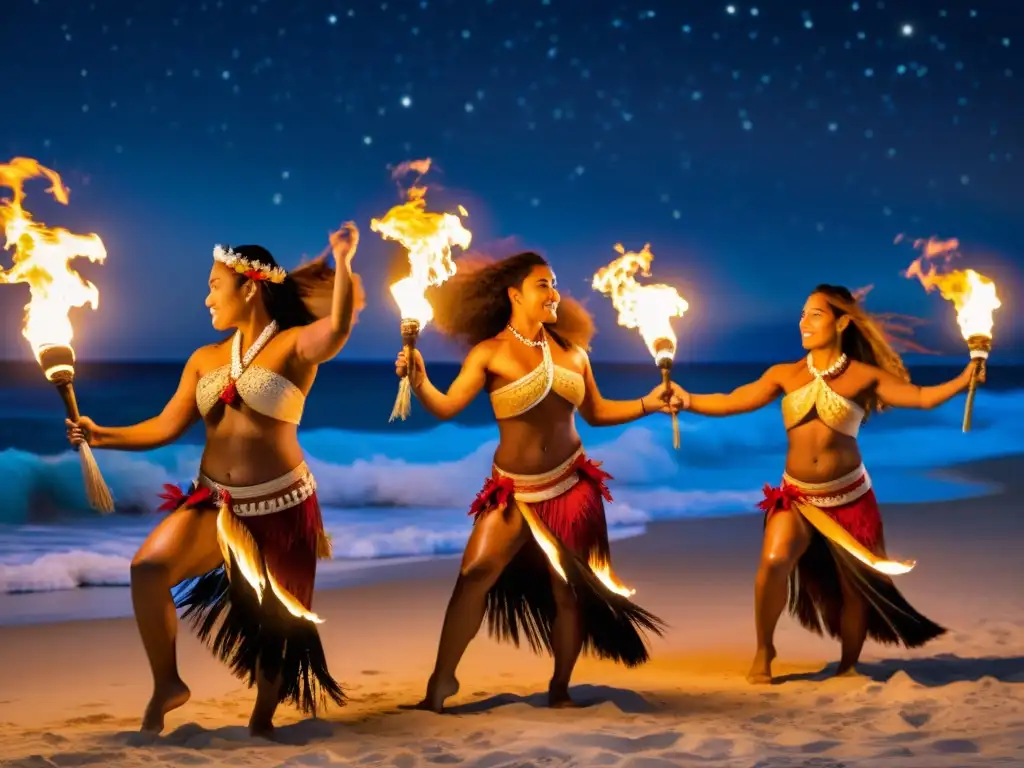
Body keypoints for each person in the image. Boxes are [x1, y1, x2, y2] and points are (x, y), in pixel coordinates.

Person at [65, 225, 364, 736]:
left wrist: (343, 260)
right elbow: (165, 425)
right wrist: (101, 434)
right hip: (215, 502)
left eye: (214, 284)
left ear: (249, 287)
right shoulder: (205, 359)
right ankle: (168, 683)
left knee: (277, 630)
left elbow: (336, 330)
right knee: (148, 569)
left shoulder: (293, 346)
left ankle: (263, 720)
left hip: (280, 507)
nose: (207, 297)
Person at [394, 250, 682, 712]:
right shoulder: (489, 353)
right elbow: (447, 407)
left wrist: (649, 403)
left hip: (571, 485)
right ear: (515, 295)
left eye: (554, 284)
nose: (554, 293)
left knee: (568, 590)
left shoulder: (574, 354)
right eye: (543, 285)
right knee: (473, 575)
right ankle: (440, 684)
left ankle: (560, 688)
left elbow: (598, 412)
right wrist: (422, 381)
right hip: (513, 492)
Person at [676, 284, 982, 683]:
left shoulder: (862, 376)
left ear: (842, 322)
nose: (804, 322)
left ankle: (848, 665)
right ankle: (764, 649)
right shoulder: (785, 374)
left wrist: (964, 379)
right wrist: (687, 400)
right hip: (798, 495)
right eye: (802, 314)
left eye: (815, 314)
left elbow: (921, 397)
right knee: (772, 563)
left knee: (856, 587)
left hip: (850, 496)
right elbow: (734, 400)